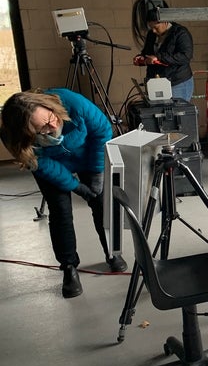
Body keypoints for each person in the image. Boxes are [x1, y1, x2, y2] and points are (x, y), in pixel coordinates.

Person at [0, 88, 127, 299]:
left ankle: (113, 252)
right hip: (51, 163)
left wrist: (96, 174)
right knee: (60, 212)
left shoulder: (73, 104)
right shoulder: (13, 137)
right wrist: (76, 186)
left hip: (87, 154)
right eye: (43, 128)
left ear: (50, 107)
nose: (53, 125)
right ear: (27, 134)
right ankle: (69, 267)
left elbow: (102, 131)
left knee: (102, 202)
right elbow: (41, 164)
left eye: (50, 117)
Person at [133, 9, 195, 103]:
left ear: (165, 22)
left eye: (156, 27)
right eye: (151, 28)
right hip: (157, 82)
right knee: (160, 113)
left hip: (177, 82)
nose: (153, 31)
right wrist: (142, 58)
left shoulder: (180, 33)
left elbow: (186, 56)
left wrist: (159, 58)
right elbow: (147, 52)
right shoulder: (151, 35)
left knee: (177, 113)